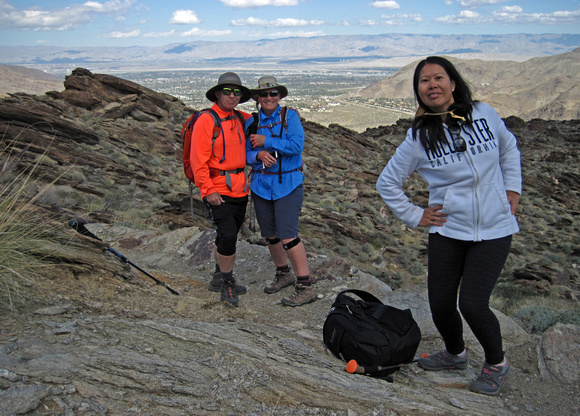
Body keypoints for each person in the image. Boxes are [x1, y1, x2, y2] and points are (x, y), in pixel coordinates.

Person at [376, 56, 521, 396]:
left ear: (453, 83)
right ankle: (455, 354)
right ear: (419, 92)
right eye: (424, 81)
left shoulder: (484, 113)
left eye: (438, 78)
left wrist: (512, 187)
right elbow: (387, 183)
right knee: (440, 303)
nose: (432, 85)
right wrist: (416, 215)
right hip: (449, 229)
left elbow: (509, 147)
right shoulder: (418, 137)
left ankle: (496, 363)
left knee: (472, 303)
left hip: (495, 227)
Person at [245, 76, 315, 307]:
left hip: (288, 184)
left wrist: (268, 142)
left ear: (280, 96)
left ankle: (305, 286)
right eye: (263, 95)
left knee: (288, 235)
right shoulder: (251, 123)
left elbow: (297, 146)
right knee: (271, 235)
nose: (268, 98)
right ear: (257, 98)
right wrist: (258, 155)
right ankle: (283, 274)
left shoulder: (289, 117)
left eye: (273, 94)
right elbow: (244, 154)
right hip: (261, 186)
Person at [191, 72, 252, 307]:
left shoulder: (239, 117)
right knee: (227, 235)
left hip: (240, 189)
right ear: (217, 93)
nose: (232, 95)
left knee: (228, 234)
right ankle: (227, 283)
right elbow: (198, 160)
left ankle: (218, 276)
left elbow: (264, 120)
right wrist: (208, 190)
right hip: (217, 189)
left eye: (237, 92)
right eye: (227, 91)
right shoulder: (207, 120)